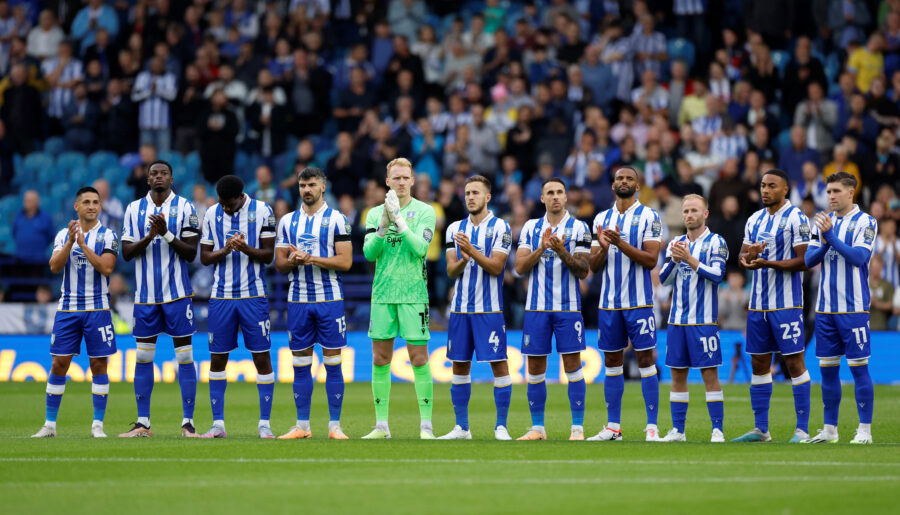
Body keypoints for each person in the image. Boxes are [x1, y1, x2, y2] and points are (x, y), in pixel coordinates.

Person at [117, 161, 201, 438]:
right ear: (147, 179)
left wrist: (164, 233)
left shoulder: (186, 207)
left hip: (177, 294)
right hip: (145, 297)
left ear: (171, 177)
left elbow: (190, 253)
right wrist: (150, 236)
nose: (159, 177)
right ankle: (143, 423)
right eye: (153, 173)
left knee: (185, 357)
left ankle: (188, 423)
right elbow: (127, 253)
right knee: (142, 357)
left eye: (163, 172)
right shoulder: (133, 209)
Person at [32, 187, 119, 438]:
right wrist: (72, 241)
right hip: (68, 309)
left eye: (95, 202)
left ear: (100, 206)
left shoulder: (108, 235)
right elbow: (54, 266)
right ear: (76, 207)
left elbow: (106, 268)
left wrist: (84, 245)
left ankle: (97, 426)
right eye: (86, 202)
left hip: (98, 308)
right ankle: (49, 425)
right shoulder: (63, 235)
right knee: (59, 363)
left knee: (98, 364)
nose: (92, 206)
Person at [733, 169, 812, 443]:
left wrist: (768, 263)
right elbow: (743, 256)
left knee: (793, 362)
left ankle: (802, 430)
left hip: (786, 304)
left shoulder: (797, 218)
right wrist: (748, 258)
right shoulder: (754, 219)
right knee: (758, 363)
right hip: (758, 305)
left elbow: (804, 261)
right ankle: (761, 429)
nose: (765, 190)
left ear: (785, 189)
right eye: (763, 185)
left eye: (772, 186)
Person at [361, 158, 437, 439]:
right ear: (387, 181)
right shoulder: (373, 214)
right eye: (396, 178)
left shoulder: (425, 212)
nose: (401, 182)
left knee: (418, 358)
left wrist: (399, 221)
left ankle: (426, 426)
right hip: (382, 295)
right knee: (380, 359)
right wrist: (383, 222)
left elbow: (420, 249)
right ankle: (381, 426)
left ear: (413, 181)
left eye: (406, 177)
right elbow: (370, 254)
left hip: (414, 294)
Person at [274, 167, 352, 440]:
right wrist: (292, 261)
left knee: (333, 363)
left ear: (323, 187)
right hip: (298, 301)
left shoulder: (337, 220)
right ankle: (302, 426)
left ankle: (335, 426)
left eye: (311, 185)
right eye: (302, 185)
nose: (306, 190)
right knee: (300, 364)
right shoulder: (286, 222)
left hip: (329, 299)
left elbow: (345, 261)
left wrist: (311, 259)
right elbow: (280, 265)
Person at [588, 166, 663, 441]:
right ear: (613, 185)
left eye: (629, 178)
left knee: (645, 359)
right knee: (612, 361)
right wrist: (605, 248)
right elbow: (592, 266)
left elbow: (650, 259)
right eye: (620, 178)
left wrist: (620, 242)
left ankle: (652, 427)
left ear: (638, 185)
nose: (624, 181)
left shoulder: (649, 216)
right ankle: (613, 427)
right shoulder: (601, 218)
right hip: (609, 303)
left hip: (639, 301)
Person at [198, 176, 277, 439]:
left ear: (240, 196)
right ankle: (218, 424)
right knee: (218, 358)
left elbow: (269, 256)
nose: (225, 208)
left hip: (253, 296)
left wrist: (245, 248)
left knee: (261, 358)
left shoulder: (263, 210)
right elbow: (205, 257)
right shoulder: (211, 213)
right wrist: (224, 250)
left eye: (229, 203)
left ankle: (264, 424)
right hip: (221, 297)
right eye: (221, 203)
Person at [803, 172, 878, 444]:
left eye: (836, 191)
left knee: (858, 368)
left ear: (850, 192)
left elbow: (859, 257)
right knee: (828, 371)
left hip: (854, 308)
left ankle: (864, 431)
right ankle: (830, 430)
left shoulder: (866, 222)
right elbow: (810, 260)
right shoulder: (822, 222)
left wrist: (830, 237)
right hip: (825, 310)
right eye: (828, 192)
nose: (831, 196)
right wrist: (825, 239)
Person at [514, 178, 591, 441]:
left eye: (559, 192)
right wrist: (542, 248)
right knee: (535, 367)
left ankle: (577, 428)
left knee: (572, 365)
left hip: (568, 308)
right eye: (550, 192)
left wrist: (561, 251)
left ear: (566, 197)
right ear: (542, 198)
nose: (555, 196)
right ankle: (538, 428)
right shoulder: (531, 227)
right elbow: (520, 267)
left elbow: (583, 270)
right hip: (536, 308)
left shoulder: (580, 228)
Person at [439, 175, 514, 440]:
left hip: (489, 310)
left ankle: (501, 426)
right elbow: (450, 269)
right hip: (460, 310)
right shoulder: (453, 228)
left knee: (499, 365)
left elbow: (496, 267)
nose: (470, 197)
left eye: (476, 193)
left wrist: (472, 250)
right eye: (468, 193)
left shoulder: (501, 227)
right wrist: (464, 259)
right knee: (459, 366)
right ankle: (462, 427)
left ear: (488, 197)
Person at [658, 195, 728, 442]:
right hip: (677, 322)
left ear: (705, 213)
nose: (689, 215)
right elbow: (664, 279)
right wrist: (676, 260)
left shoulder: (716, 242)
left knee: (709, 375)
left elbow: (717, 275)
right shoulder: (675, 243)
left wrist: (690, 259)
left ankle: (717, 429)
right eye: (686, 211)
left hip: (704, 321)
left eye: (694, 210)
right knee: (677, 375)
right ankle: (678, 430)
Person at [12, 190, 54, 263]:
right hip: (20, 259)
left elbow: (51, 236)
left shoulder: (45, 218)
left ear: (37, 202)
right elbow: (14, 233)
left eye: (30, 201)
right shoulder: (18, 216)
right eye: (26, 200)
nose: (26, 203)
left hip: (38, 260)